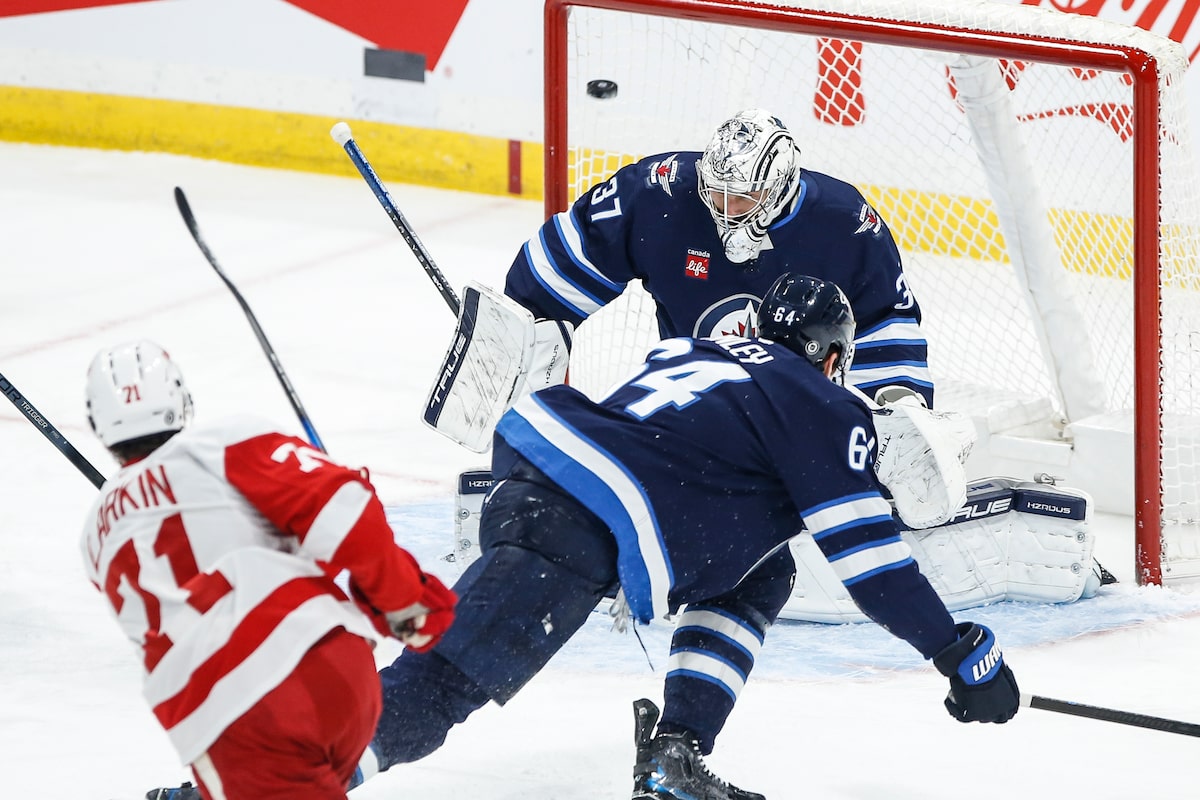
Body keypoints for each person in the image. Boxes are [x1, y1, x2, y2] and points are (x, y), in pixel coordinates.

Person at [361, 273, 1020, 799]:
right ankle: (313, 769)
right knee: (440, 687)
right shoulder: (825, 403)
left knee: (764, 571)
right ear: (832, 358)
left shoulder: (696, 349)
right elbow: (870, 562)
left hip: (544, 484)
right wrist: (956, 652)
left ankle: (676, 751)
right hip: (575, 521)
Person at [81, 340, 456, 800]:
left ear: (98, 425)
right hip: (334, 671)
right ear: (180, 398)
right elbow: (343, 510)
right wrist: (405, 602)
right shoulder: (222, 444)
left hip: (239, 724)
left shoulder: (95, 536)